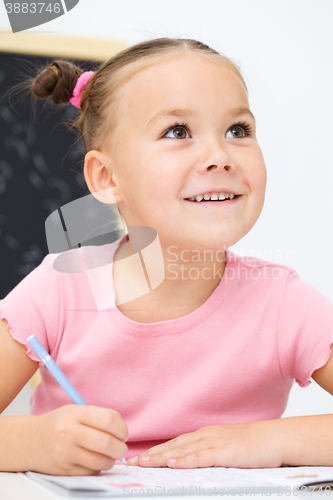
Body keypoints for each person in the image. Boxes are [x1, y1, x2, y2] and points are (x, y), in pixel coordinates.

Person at [0, 37, 332, 476]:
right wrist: (28, 444)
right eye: (177, 132)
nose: (220, 156)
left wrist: (264, 439)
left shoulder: (284, 304)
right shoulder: (59, 290)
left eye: (238, 130)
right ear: (105, 177)